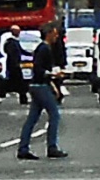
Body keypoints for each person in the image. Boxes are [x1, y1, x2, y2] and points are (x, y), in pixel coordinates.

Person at [17, 23, 67, 160]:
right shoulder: (44, 48)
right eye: (55, 33)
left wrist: (54, 85)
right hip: (40, 86)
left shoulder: (44, 48)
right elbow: (38, 69)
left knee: (32, 119)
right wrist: (52, 75)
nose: (57, 36)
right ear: (49, 33)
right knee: (54, 115)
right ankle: (52, 147)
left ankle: (23, 148)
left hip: (38, 85)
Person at [2, 30, 30, 104]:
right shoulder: (11, 42)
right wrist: (15, 63)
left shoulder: (14, 42)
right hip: (14, 65)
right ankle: (23, 98)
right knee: (19, 83)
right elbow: (11, 53)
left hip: (14, 65)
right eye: (18, 31)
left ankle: (23, 98)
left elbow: (21, 51)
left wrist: (31, 53)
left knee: (17, 82)